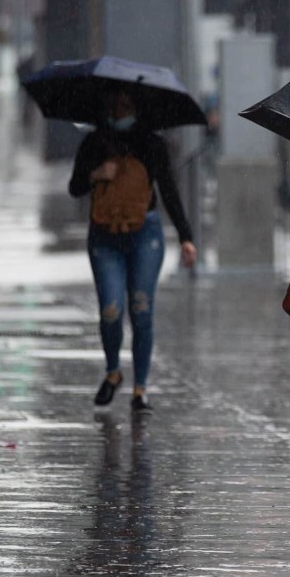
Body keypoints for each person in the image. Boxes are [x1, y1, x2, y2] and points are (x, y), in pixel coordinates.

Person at [68, 87, 197, 413]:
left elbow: (167, 188)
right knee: (110, 309)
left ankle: (141, 388)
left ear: (137, 109)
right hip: (104, 237)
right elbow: (74, 187)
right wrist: (97, 174)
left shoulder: (152, 144)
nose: (119, 113)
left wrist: (185, 236)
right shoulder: (94, 143)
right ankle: (113, 372)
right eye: (113, 106)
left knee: (141, 308)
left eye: (125, 106)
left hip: (145, 235)